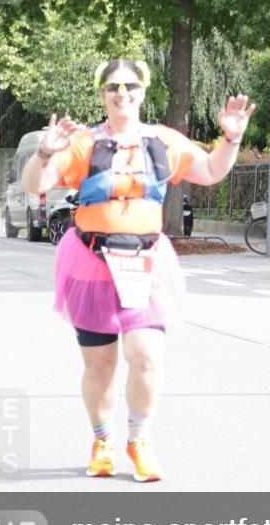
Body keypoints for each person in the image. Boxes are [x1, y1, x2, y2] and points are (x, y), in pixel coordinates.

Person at [22, 58, 254, 482]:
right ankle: (102, 441)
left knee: (145, 355)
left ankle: (139, 440)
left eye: (130, 85)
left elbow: (210, 170)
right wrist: (43, 153)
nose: (122, 93)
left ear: (143, 91)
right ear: (102, 94)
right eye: (113, 86)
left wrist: (231, 138)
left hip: (145, 262)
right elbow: (34, 184)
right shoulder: (84, 144)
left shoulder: (163, 140)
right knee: (100, 365)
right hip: (91, 263)